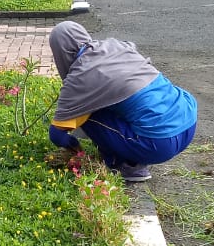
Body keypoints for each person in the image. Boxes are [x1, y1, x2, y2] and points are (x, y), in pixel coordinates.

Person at [48, 21, 197, 183]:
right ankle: (133, 151)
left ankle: (128, 165)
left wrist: (74, 148)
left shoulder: (79, 77)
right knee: (121, 101)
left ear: (59, 51)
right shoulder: (116, 45)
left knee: (88, 112)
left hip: (159, 144)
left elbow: (56, 134)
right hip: (188, 121)